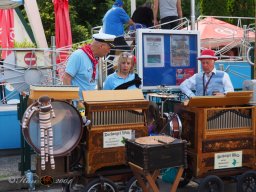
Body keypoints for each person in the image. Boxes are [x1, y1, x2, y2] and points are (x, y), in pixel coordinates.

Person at [63, 32, 116, 124]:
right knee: (79, 135)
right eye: (108, 48)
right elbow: (66, 78)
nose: (108, 51)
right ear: (101, 46)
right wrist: (69, 104)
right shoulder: (78, 55)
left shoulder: (94, 58)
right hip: (77, 106)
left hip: (88, 105)